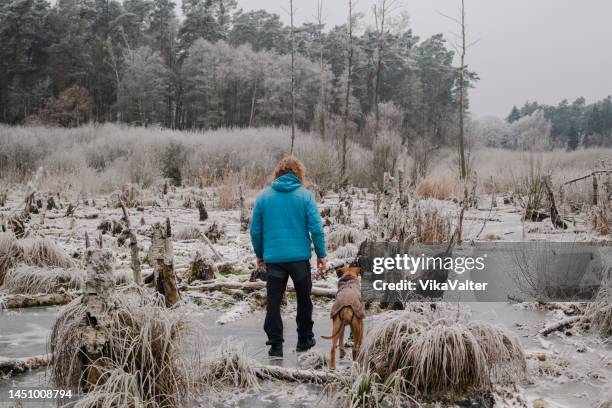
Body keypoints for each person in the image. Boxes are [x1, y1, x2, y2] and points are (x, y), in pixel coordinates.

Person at [250, 156, 327, 357]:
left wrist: (260, 254)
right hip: (299, 259)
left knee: (273, 302)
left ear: (278, 174)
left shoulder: (264, 197)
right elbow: (316, 229)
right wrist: (321, 254)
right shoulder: (305, 196)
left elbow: (255, 231)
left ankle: (275, 345)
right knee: (304, 300)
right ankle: (304, 340)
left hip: (274, 259)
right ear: (299, 174)